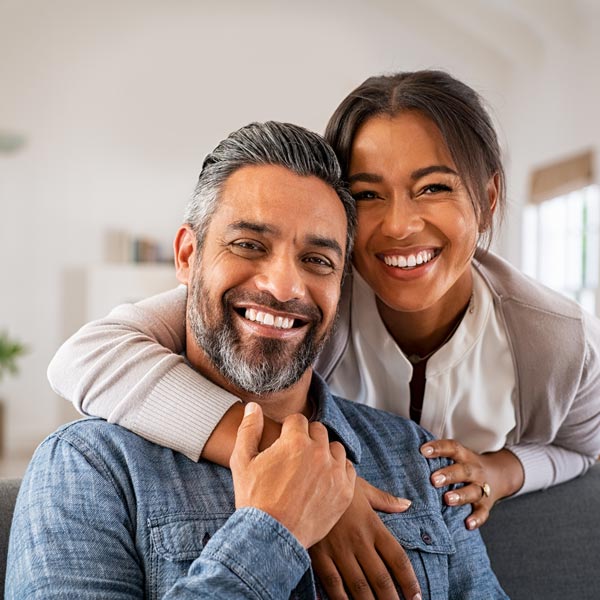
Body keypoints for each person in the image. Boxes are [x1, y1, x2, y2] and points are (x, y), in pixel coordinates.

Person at [47, 71, 600, 593]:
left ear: (489, 199)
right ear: (189, 255)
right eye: (367, 194)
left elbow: (584, 447)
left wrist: (502, 471)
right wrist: (301, 479)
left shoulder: (548, 336)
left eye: (432, 187)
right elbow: (89, 356)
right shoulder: (308, 300)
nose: (401, 225)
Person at [7, 121, 507, 599]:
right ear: (187, 256)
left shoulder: (417, 460)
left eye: (317, 260)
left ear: (340, 286)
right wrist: (271, 532)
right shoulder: (89, 467)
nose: (284, 286)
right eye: (248, 245)